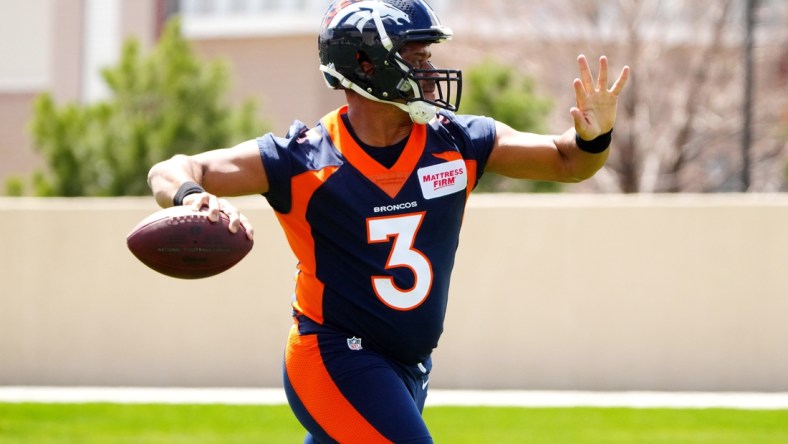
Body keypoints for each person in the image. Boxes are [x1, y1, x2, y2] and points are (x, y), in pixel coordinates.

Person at [147, 0, 630, 442]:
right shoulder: (303, 158)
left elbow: (567, 162)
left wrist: (592, 135)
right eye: (416, 58)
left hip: (408, 366)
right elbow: (170, 169)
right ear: (364, 63)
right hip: (332, 354)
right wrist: (193, 197)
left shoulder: (456, 142)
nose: (430, 70)